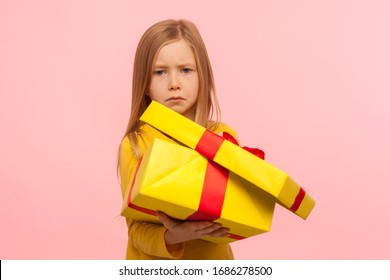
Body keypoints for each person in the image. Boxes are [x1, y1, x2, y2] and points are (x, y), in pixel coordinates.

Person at [118, 19, 239, 260]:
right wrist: (176, 235)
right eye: (160, 72)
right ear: (144, 84)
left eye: (185, 70)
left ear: (202, 75)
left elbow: (236, 210)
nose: (174, 84)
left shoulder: (223, 136)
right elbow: (136, 231)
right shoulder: (136, 144)